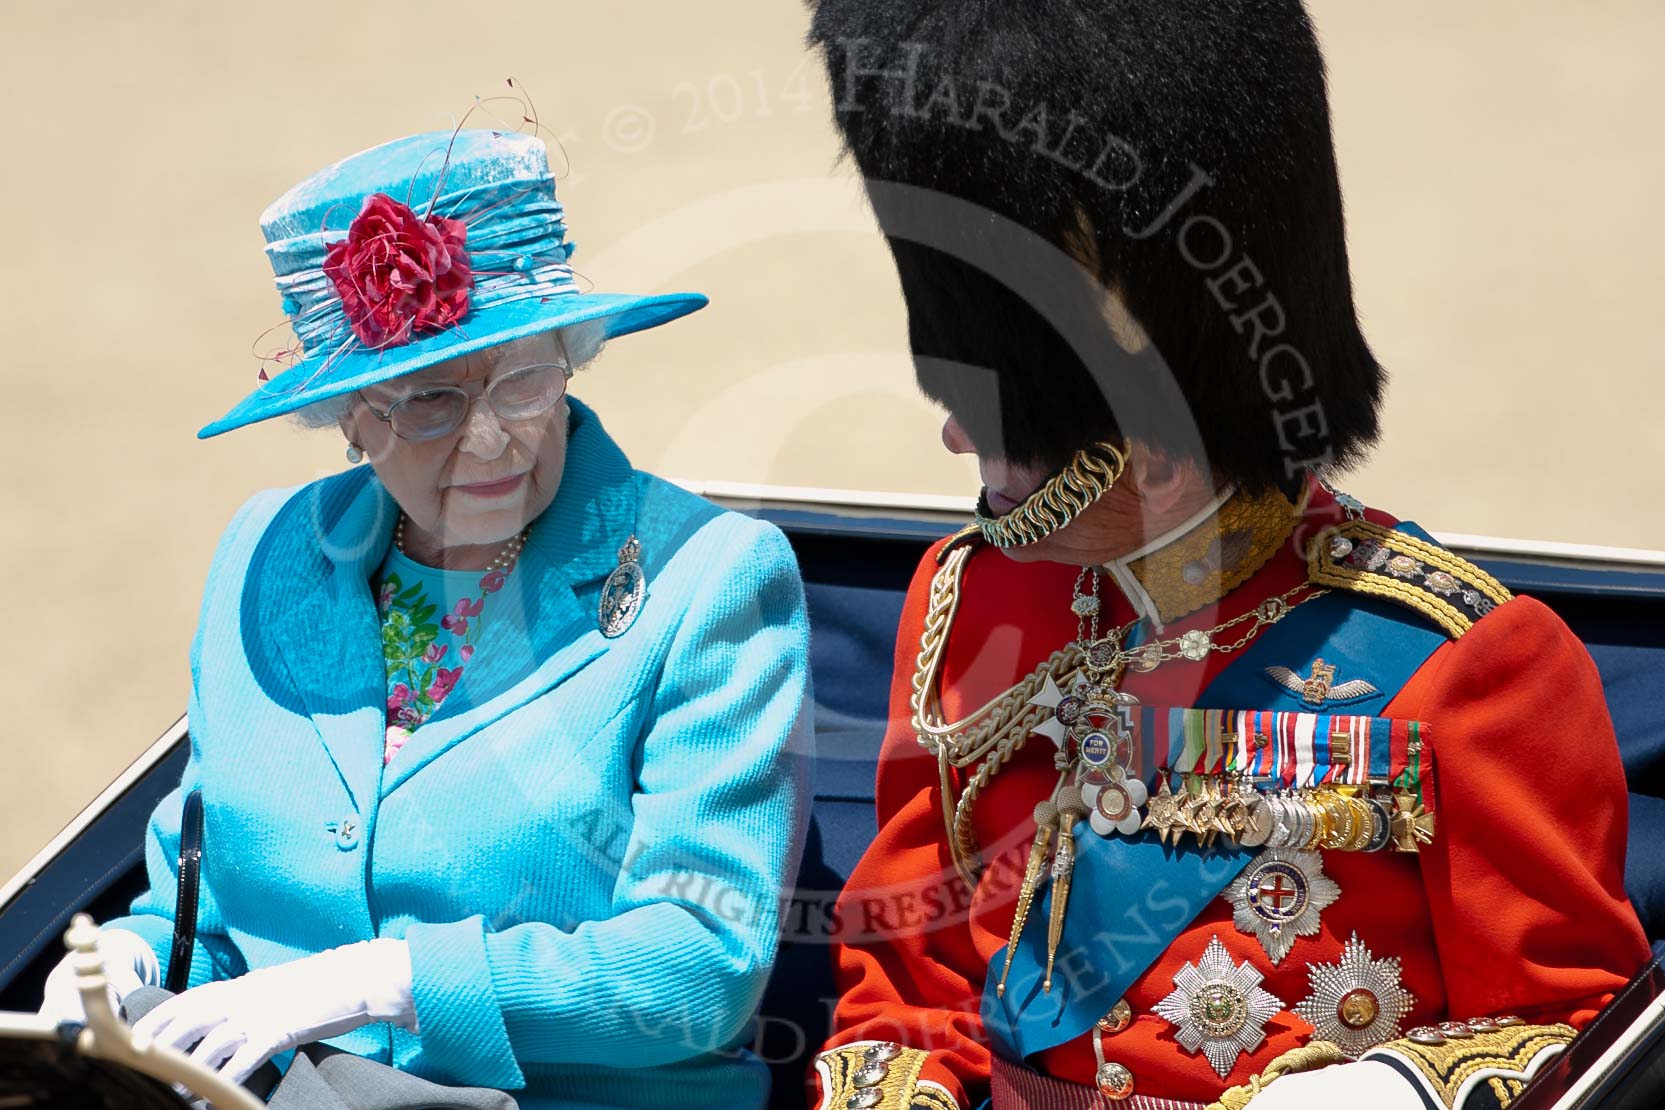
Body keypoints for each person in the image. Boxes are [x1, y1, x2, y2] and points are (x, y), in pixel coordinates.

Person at [802, 2, 1649, 1108]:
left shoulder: (1470, 664)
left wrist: (1385, 1093)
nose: (957, 433)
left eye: (1000, 397)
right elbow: (913, 992)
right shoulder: (968, 598)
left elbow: (1576, 1031)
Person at [35, 127, 814, 1110]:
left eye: (522, 383)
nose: (489, 439)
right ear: (348, 415)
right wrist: (129, 961)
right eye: (433, 400)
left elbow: (704, 967)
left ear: (570, 361)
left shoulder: (707, 577)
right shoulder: (265, 557)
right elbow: (207, 914)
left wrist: (382, 982)